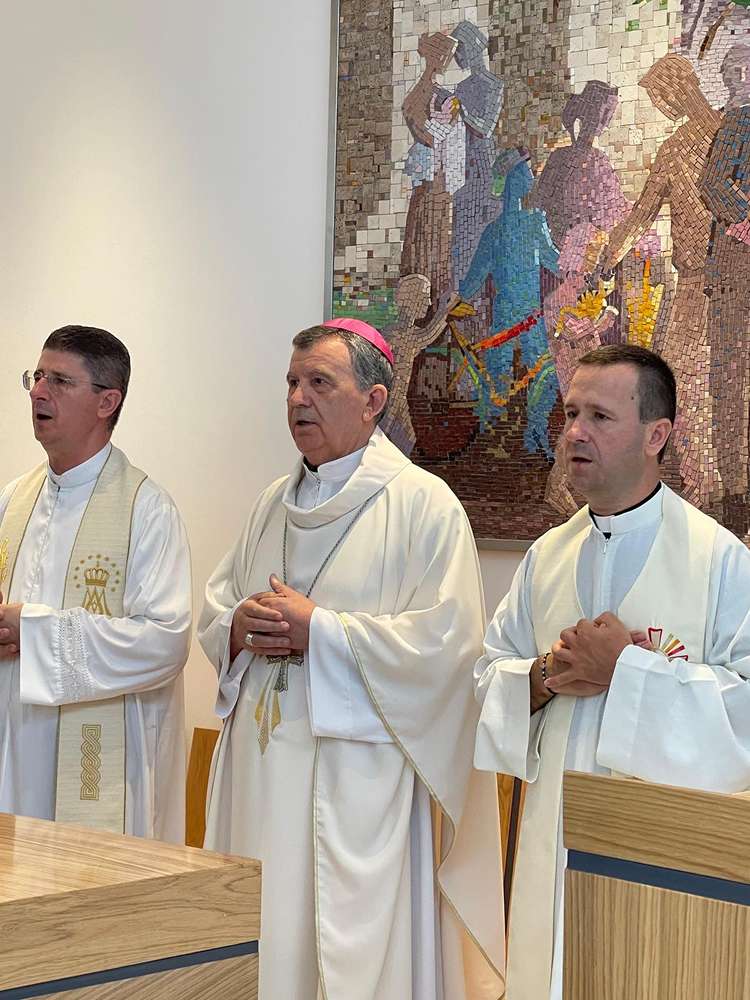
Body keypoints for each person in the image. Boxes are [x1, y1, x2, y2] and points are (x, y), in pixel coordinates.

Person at [199, 317, 504, 1000]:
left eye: (318, 382)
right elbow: (217, 608)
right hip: (261, 773)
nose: (297, 399)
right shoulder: (271, 505)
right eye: (291, 383)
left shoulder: (424, 506)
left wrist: (323, 632)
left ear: (373, 401)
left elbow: (449, 651)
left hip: (359, 791)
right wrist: (236, 627)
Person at [474, 344, 750, 1000]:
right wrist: (544, 676)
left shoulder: (719, 560)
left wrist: (625, 670)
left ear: (657, 436)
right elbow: (487, 675)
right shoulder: (546, 556)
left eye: (599, 416)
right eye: (570, 413)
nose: (575, 432)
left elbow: (744, 714)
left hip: (660, 855)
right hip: (551, 834)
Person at [0, 325, 191, 842]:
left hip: (93, 762)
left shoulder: (145, 509)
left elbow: (165, 644)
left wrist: (35, 632)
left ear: (108, 402)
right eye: (37, 377)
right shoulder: (13, 499)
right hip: (11, 743)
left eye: (60, 381)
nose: (39, 393)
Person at [592, 55, 722, 510]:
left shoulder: (698, 144)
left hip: (708, 286)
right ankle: (705, 479)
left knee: (688, 381)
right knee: (690, 382)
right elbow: (641, 215)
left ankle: (707, 481)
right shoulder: (701, 141)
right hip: (699, 284)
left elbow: (640, 215)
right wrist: (610, 255)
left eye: (659, 97)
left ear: (676, 89)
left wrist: (607, 259)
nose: (661, 107)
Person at [699, 44, 750, 535]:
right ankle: (736, 489)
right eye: (735, 70)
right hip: (737, 265)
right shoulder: (739, 120)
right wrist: (746, 219)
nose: (740, 78)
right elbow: (712, 182)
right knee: (731, 376)